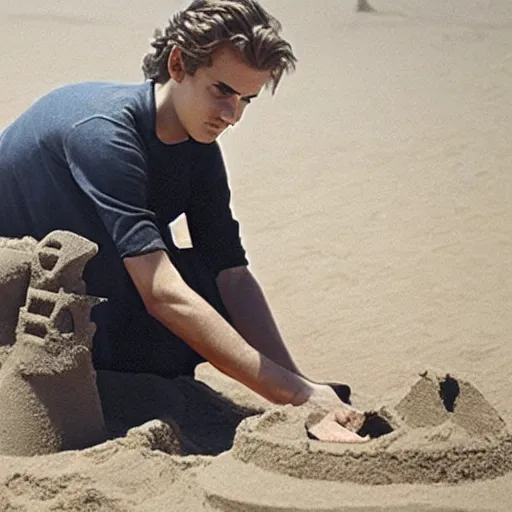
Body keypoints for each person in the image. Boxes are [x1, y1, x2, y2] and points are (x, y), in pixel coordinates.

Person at [0, 0, 368, 442]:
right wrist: (295, 395)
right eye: (222, 91)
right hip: (19, 288)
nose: (232, 116)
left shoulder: (199, 149)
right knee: (162, 289)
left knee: (208, 286)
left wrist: (301, 387)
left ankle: (122, 372)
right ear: (178, 63)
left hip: (94, 274)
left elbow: (230, 274)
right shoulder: (104, 134)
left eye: (246, 100)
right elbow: (160, 293)